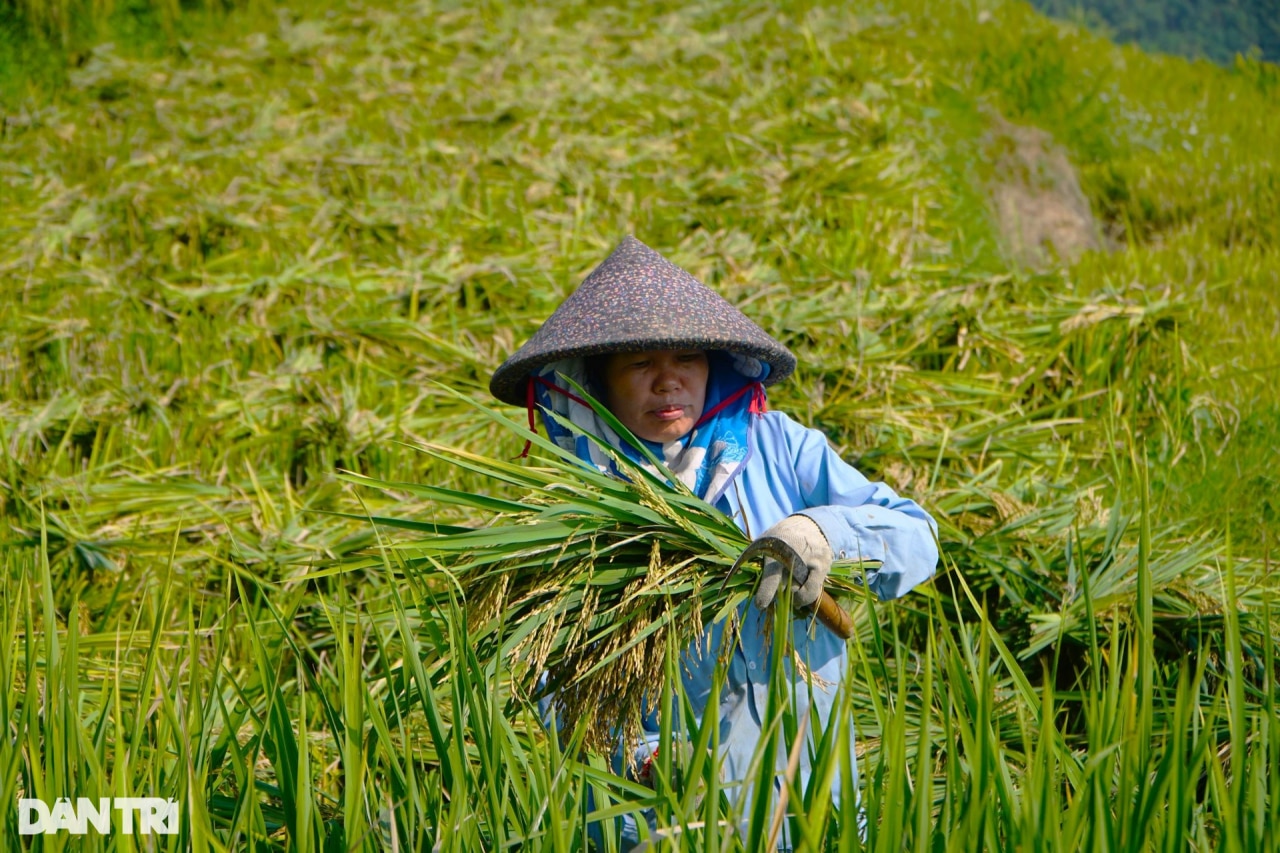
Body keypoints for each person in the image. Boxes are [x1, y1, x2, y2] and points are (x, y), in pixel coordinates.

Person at [489, 236, 938, 847]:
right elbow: (545, 669)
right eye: (640, 364)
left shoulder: (780, 448)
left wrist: (824, 533)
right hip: (663, 810)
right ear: (598, 380)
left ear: (715, 367)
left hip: (810, 789)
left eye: (687, 359)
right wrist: (644, 757)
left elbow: (917, 533)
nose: (668, 382)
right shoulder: (577, 493)